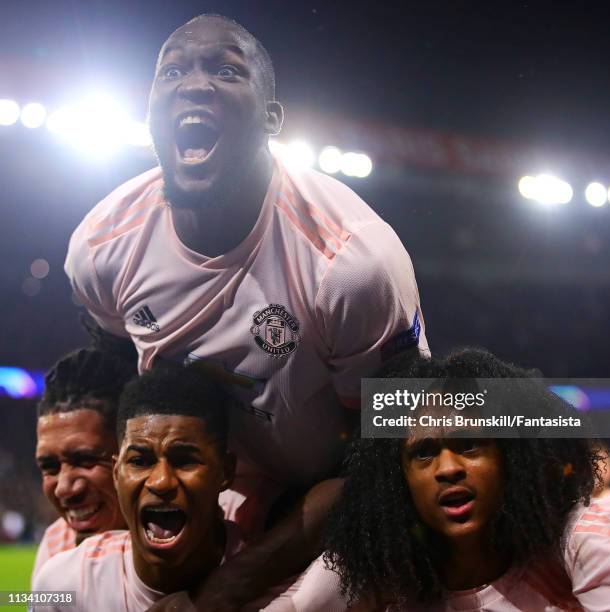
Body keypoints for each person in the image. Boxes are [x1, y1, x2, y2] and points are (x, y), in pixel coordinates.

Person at [64, 12, 428, 606]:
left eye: (227, 71)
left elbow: (392, 452)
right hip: (207, 498)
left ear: (272, 118)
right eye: (174, 70)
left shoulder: (349, 264)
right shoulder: (102, 249)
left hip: (338, 504)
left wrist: (239, 581)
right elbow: (120, 389)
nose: (195, 84)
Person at [324, 349, 610, 610]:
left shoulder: (581, 540)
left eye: (468, 444)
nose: (448, 468)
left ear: (510, 457)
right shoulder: (382, 591)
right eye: (423, 453)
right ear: (398, 479)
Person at [33, 364, 238, 610]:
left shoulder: (248, 529)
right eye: (140, 461)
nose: (65, 489)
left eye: (85, 460)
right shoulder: (58, 556)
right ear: (118, 467)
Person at [32, 346, 137, 579]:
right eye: (49, 467)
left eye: (85, 460)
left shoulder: (205, 533)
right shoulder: (55, 544)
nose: (64, 488)